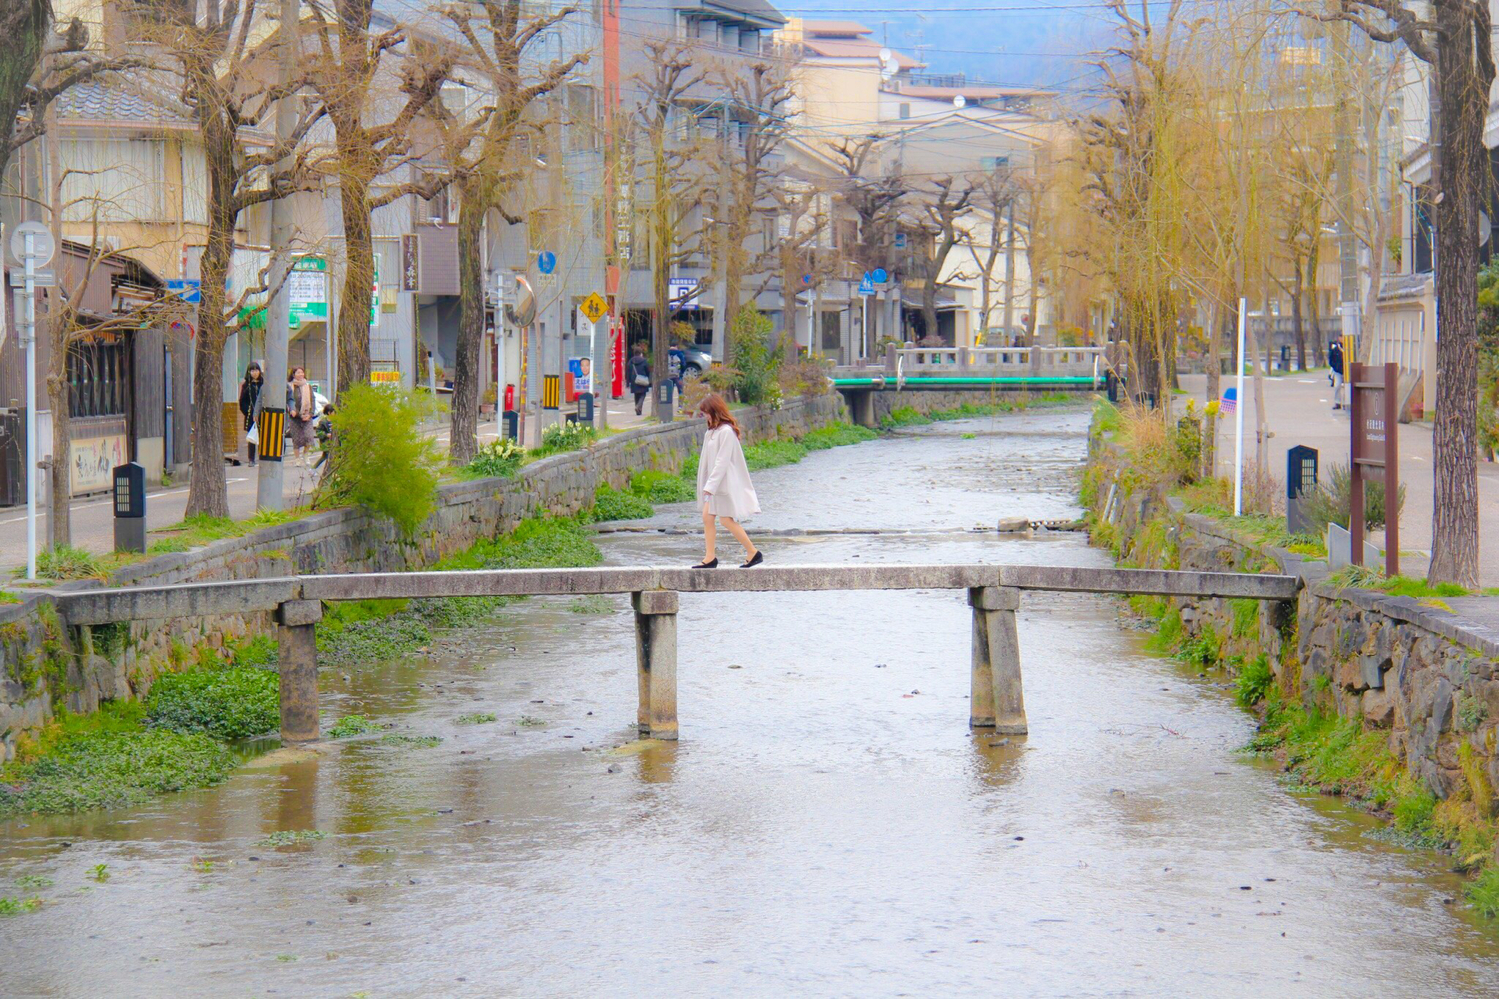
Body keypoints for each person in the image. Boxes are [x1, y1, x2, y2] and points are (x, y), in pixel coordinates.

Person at [693, 393, 762, 569]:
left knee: (725, 520)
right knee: (708, 517)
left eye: (707, 412)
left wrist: (710, 486)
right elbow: (709, 461)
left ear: (715, 411)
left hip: (722, 485)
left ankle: (753, 552)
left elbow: (722, 462)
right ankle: (710, 557)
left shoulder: (726, 432)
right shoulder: (712, 432)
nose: (705, 416)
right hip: (715, 485)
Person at [286, 366, 317, 463]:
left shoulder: (308, 386)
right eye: (298, 372)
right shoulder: (289, 386)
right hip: (294, 416)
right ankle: (297, 458)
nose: (300, 374)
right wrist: (291, 411)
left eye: (302, 372)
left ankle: (306, 454)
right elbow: (287, 401)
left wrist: (310, 414)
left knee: (309, 436)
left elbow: (313, 400)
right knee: (296, 438)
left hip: (307, 415)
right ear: (293, 374)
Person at [238, 360, 264, 466]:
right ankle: (251, 459)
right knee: (252, 437)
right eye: (252, 370)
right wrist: (248, 411)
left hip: (263, 414)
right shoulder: (246, 385)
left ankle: (262, 456)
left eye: (256, 370)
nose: (254, 373)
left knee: (263, 435)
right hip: (251, 415)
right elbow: (242, 401)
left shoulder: (264, 384)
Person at [628, 342, 651, 416]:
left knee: (636, 394)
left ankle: (638, 411)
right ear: (641, 353)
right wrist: (648, 377)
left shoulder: (631, 361)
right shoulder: (644, 361)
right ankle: (638, 406)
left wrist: (628, 380)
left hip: (634, 380)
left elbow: (628, 370)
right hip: (642, 379)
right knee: (642, 394)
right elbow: (648, 370)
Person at [312, 404, 335, 470]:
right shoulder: (323, 422)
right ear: (329, 412)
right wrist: (326, 435)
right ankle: (328, 471)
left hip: (333, 442)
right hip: (326, 443)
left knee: (325, 456)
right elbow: (318, 432)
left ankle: (313, 469)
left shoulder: (335, 421)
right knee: (328, 456)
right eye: (333, 411)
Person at [1328, 339, 1345, 411]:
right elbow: (1331, 359)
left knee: (1348, 387)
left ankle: (1346, 402)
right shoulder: (1335, 350)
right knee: (1337, 386)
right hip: (1338, 371)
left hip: (1347, 371)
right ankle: (1337, 402)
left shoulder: (1349, 348)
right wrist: (1335, 367)